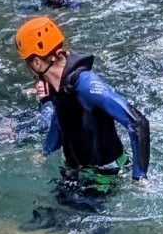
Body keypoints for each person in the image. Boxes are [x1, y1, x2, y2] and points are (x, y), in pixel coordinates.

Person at [16, 16, 151, 191]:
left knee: (63, 216)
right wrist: (45, 152)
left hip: (105, 172)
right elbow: (60, 119)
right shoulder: (55, 83)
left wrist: (139, 178)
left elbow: (138, 122)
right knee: (46, 215)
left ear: (36, 62)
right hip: (77, 170)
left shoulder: (86, 84)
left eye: (26, 62)